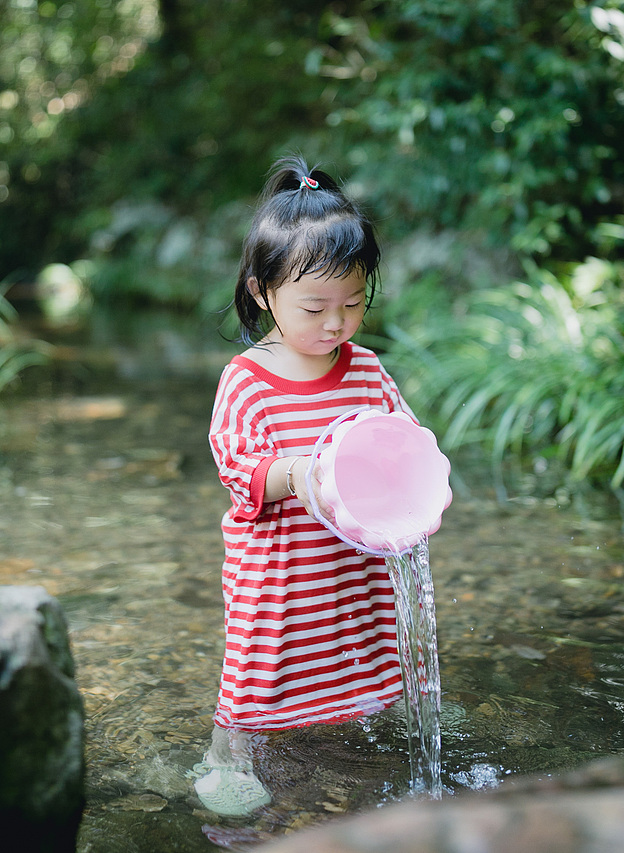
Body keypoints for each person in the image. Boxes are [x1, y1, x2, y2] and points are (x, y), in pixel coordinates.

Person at [193, 154, 415, 816]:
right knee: (259, 673)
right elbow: (240, 468)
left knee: (366, 654)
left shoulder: (367, 369)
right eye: (314, 307)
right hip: (282, 573)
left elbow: (402, 439)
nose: (335, 323)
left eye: (352, 303)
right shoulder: (248, 378)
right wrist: (303, 470)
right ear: (263, 292)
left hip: (354, 564)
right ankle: (225, 757)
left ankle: (363, 731)